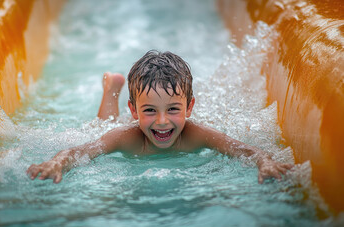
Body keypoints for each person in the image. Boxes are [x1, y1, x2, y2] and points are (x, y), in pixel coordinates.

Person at [27, 50, 293, 184]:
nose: (163, 121)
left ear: (189, 108)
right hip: (125, 126)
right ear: (134, 111)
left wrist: (264, 161)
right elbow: (83, 150)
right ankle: (111, 90)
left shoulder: (197, 134)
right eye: (150, 110)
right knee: (103, 126)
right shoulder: (125, 138)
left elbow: (242, 149)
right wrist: (58, 162)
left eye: (174, 109)